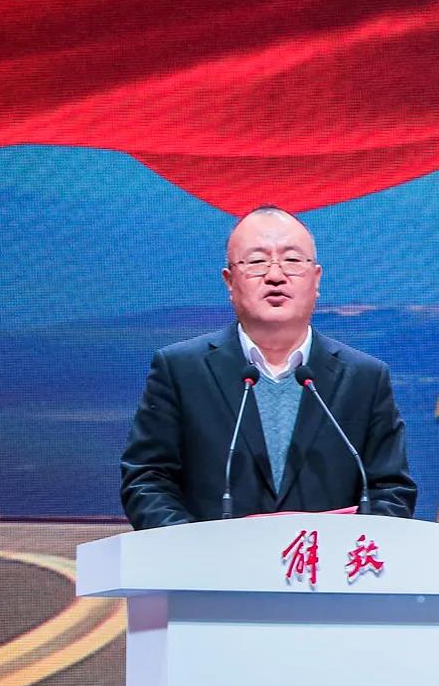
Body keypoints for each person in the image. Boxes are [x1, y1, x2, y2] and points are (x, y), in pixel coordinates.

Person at [121, 206, 416, 529]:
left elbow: (391, 491)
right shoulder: (180, 370)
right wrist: (191, 550)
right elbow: (147, 481)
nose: (275, 276)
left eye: (292, 260)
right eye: (257, 261)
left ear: (316, 278)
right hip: (209, 562)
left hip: (327, 561)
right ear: (230, 281)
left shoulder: (364, 378)